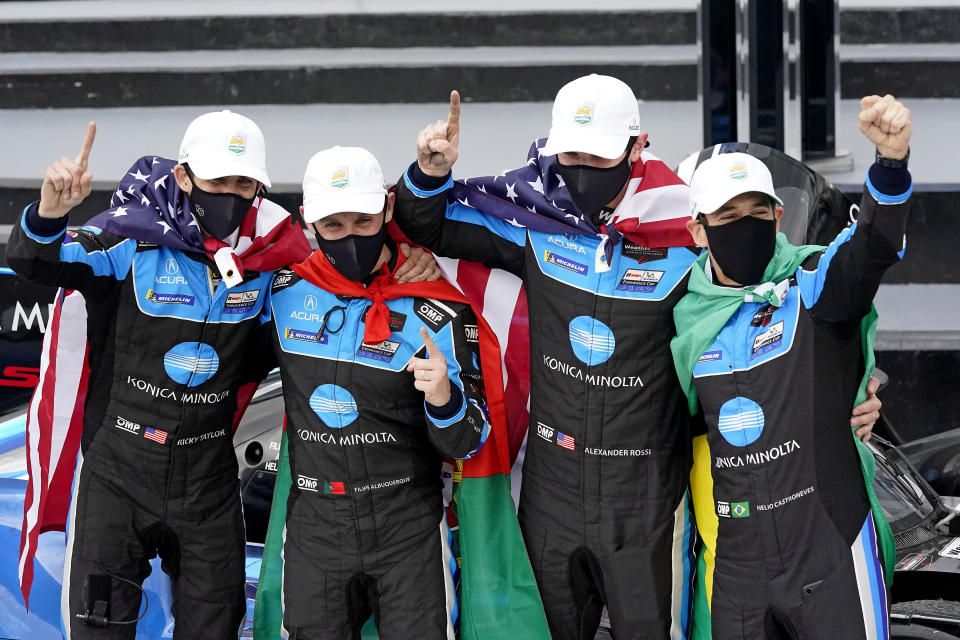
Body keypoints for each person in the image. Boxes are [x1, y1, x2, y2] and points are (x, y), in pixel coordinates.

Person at [391, 74, 884, 640]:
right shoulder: (534, 221)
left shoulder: (688, 236)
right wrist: (431, 171)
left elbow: (794, 303)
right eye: (570, 154)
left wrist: (860, 384)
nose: (579, 169)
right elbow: (425, 222)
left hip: (649, 501)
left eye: (597, 157)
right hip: (550, 490)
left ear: (636, 147)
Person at [671, 94, 911, 639]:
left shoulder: (812, 288)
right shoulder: (683, 321)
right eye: (728, 216)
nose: (746, 224)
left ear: (779, 216)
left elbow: (869, 248)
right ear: (698, 231)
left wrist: (890, 164)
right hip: (737, 569)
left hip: (829, 550)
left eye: (758, 212)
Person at [255, 146, 492, 639]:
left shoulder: (438, 307)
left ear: (387, 210)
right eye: (334, 226)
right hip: (314, 527)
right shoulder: (278, 290)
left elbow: (469, 442)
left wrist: (444, 397)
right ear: (307, 221)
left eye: (363, 221)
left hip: (407, 526)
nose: (350, 236)